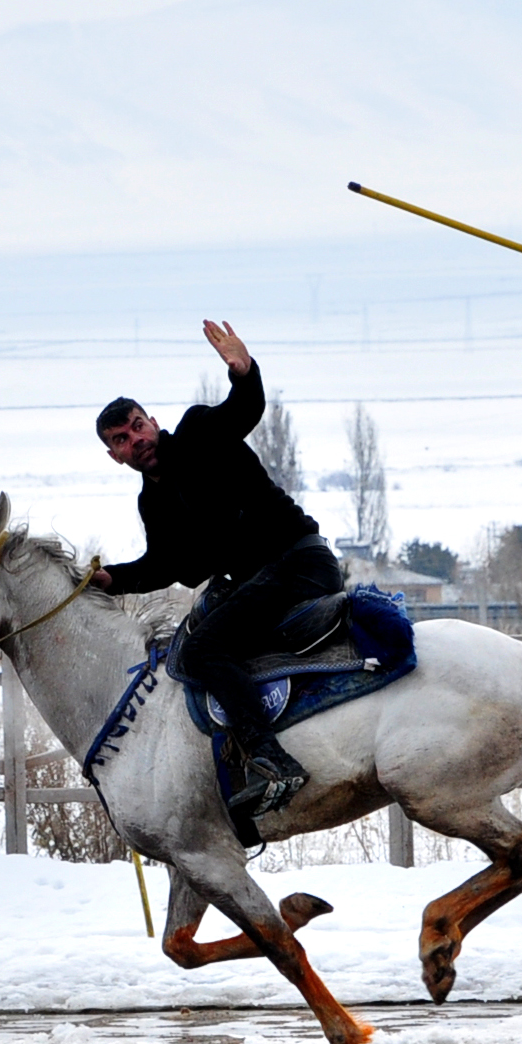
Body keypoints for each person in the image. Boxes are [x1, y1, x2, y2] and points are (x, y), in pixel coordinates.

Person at [91, 320, 340, 820]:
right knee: (188, 647)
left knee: (205, 649)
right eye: (121, 438)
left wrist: (244, 372)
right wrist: (112, 580)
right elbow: (169, 565)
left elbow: (243, 409)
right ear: (114, 455)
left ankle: (270, 759)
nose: (135, 439)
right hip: (256, 585)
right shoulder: (153, 503)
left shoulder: (201, 431)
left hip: (299, 562)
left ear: (153, 422)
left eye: (137, 426)